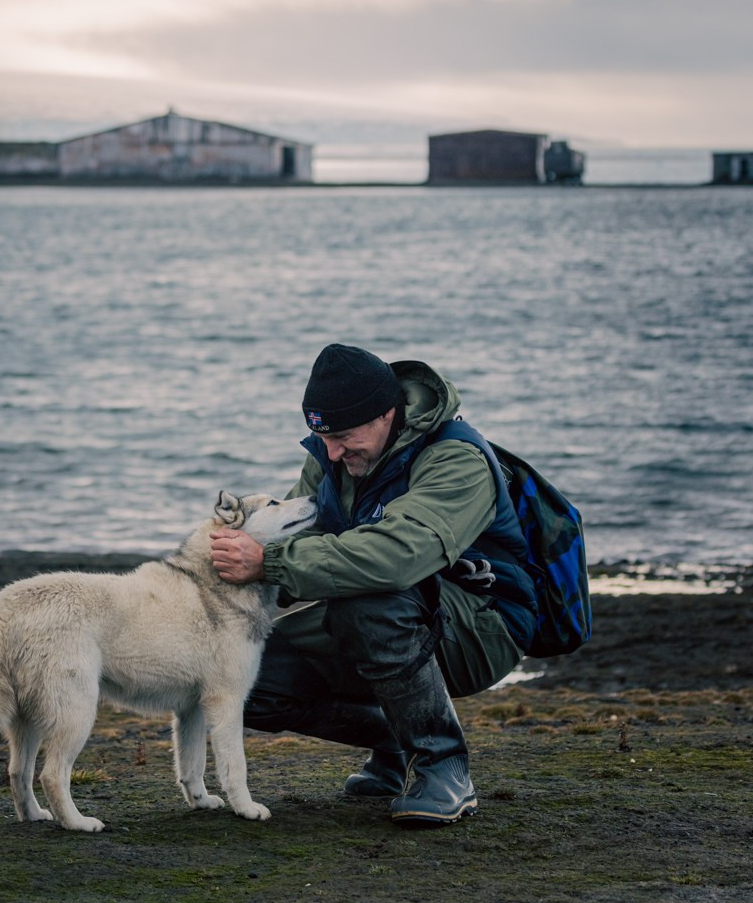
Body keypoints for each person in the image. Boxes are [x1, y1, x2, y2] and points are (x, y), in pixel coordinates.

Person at [210, 343, 538, 826]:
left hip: (484, 626)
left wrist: (269, 562)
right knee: (231, 669)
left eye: (343, 436)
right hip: (379, 609)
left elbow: (397, 558)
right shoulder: (332, 456)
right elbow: (303, 547)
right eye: (322, 438)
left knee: (371, 602)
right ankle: (396, 744)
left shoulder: (457, 460)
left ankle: (441, 765)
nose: (332, 452)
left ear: (387, 414)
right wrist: (218, 577)